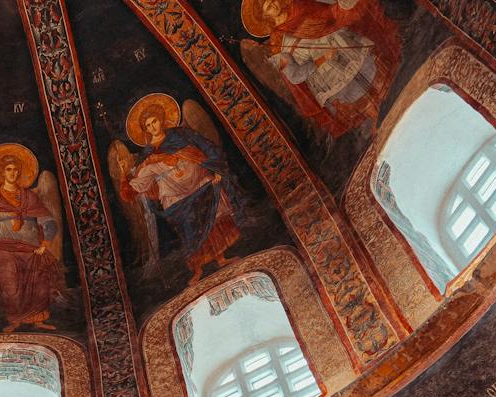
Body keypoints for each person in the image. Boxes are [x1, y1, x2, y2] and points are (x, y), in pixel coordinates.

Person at [117, 95, 240, 282]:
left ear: (161, 119)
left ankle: (221, 257)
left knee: (214, 219)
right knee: (189, 229)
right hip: (176, 198)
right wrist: (123, 173)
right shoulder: (148, 156)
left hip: (200, 183)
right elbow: (133, 190)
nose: (152, 128)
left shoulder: (181, 135)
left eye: (154, 122)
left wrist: (215, 169)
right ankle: (197, 269)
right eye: (147, 126)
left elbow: (204, 148)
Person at [243, 0, 400, 136]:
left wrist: (343, 8)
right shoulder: (276, 42)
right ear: (265, 17)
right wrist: (320, 60)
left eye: (273, 0)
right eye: (269, 7)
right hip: (324, 72)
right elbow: (294, 75)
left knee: (370, 79)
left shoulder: (299, 6)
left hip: (340, 46)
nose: (274, 5)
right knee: (354, 96)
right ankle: (377, 121)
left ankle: (390, 107)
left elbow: (329, 15)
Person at [0, 146, 61, 332]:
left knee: (39, 285)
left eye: (15, 169)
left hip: (31, 249)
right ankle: (15, 320)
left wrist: (45, 243)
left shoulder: (30, 197)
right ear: (1, 171)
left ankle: (38, 319)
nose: (13, 173)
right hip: (3, 249)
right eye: (8, 169)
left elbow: (48, 221)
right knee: (11, 286)